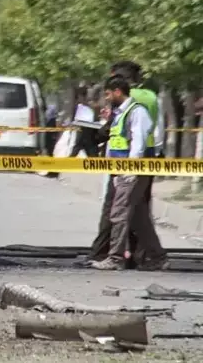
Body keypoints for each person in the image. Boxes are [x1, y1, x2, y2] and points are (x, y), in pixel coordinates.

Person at [91, 76, 168, 271]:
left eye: (108, 94)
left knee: (118, 213)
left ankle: (115, 258)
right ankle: (158, 257)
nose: (107, 98)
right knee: (139, 218)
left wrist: (130, 170)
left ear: (118, 91)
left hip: (130, 171)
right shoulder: (121, 113)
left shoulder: (137, 112)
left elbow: (138, 143)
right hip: (121, 171)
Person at [69, 87, 99, 157]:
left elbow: (96, 122)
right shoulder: (78, 107)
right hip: (81, 135)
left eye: (79, 97)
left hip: (90, 137)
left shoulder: (93, 107)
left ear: (82, 97)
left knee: (93, 158)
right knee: (73, 154)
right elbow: (75, 121)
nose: (78, 99)